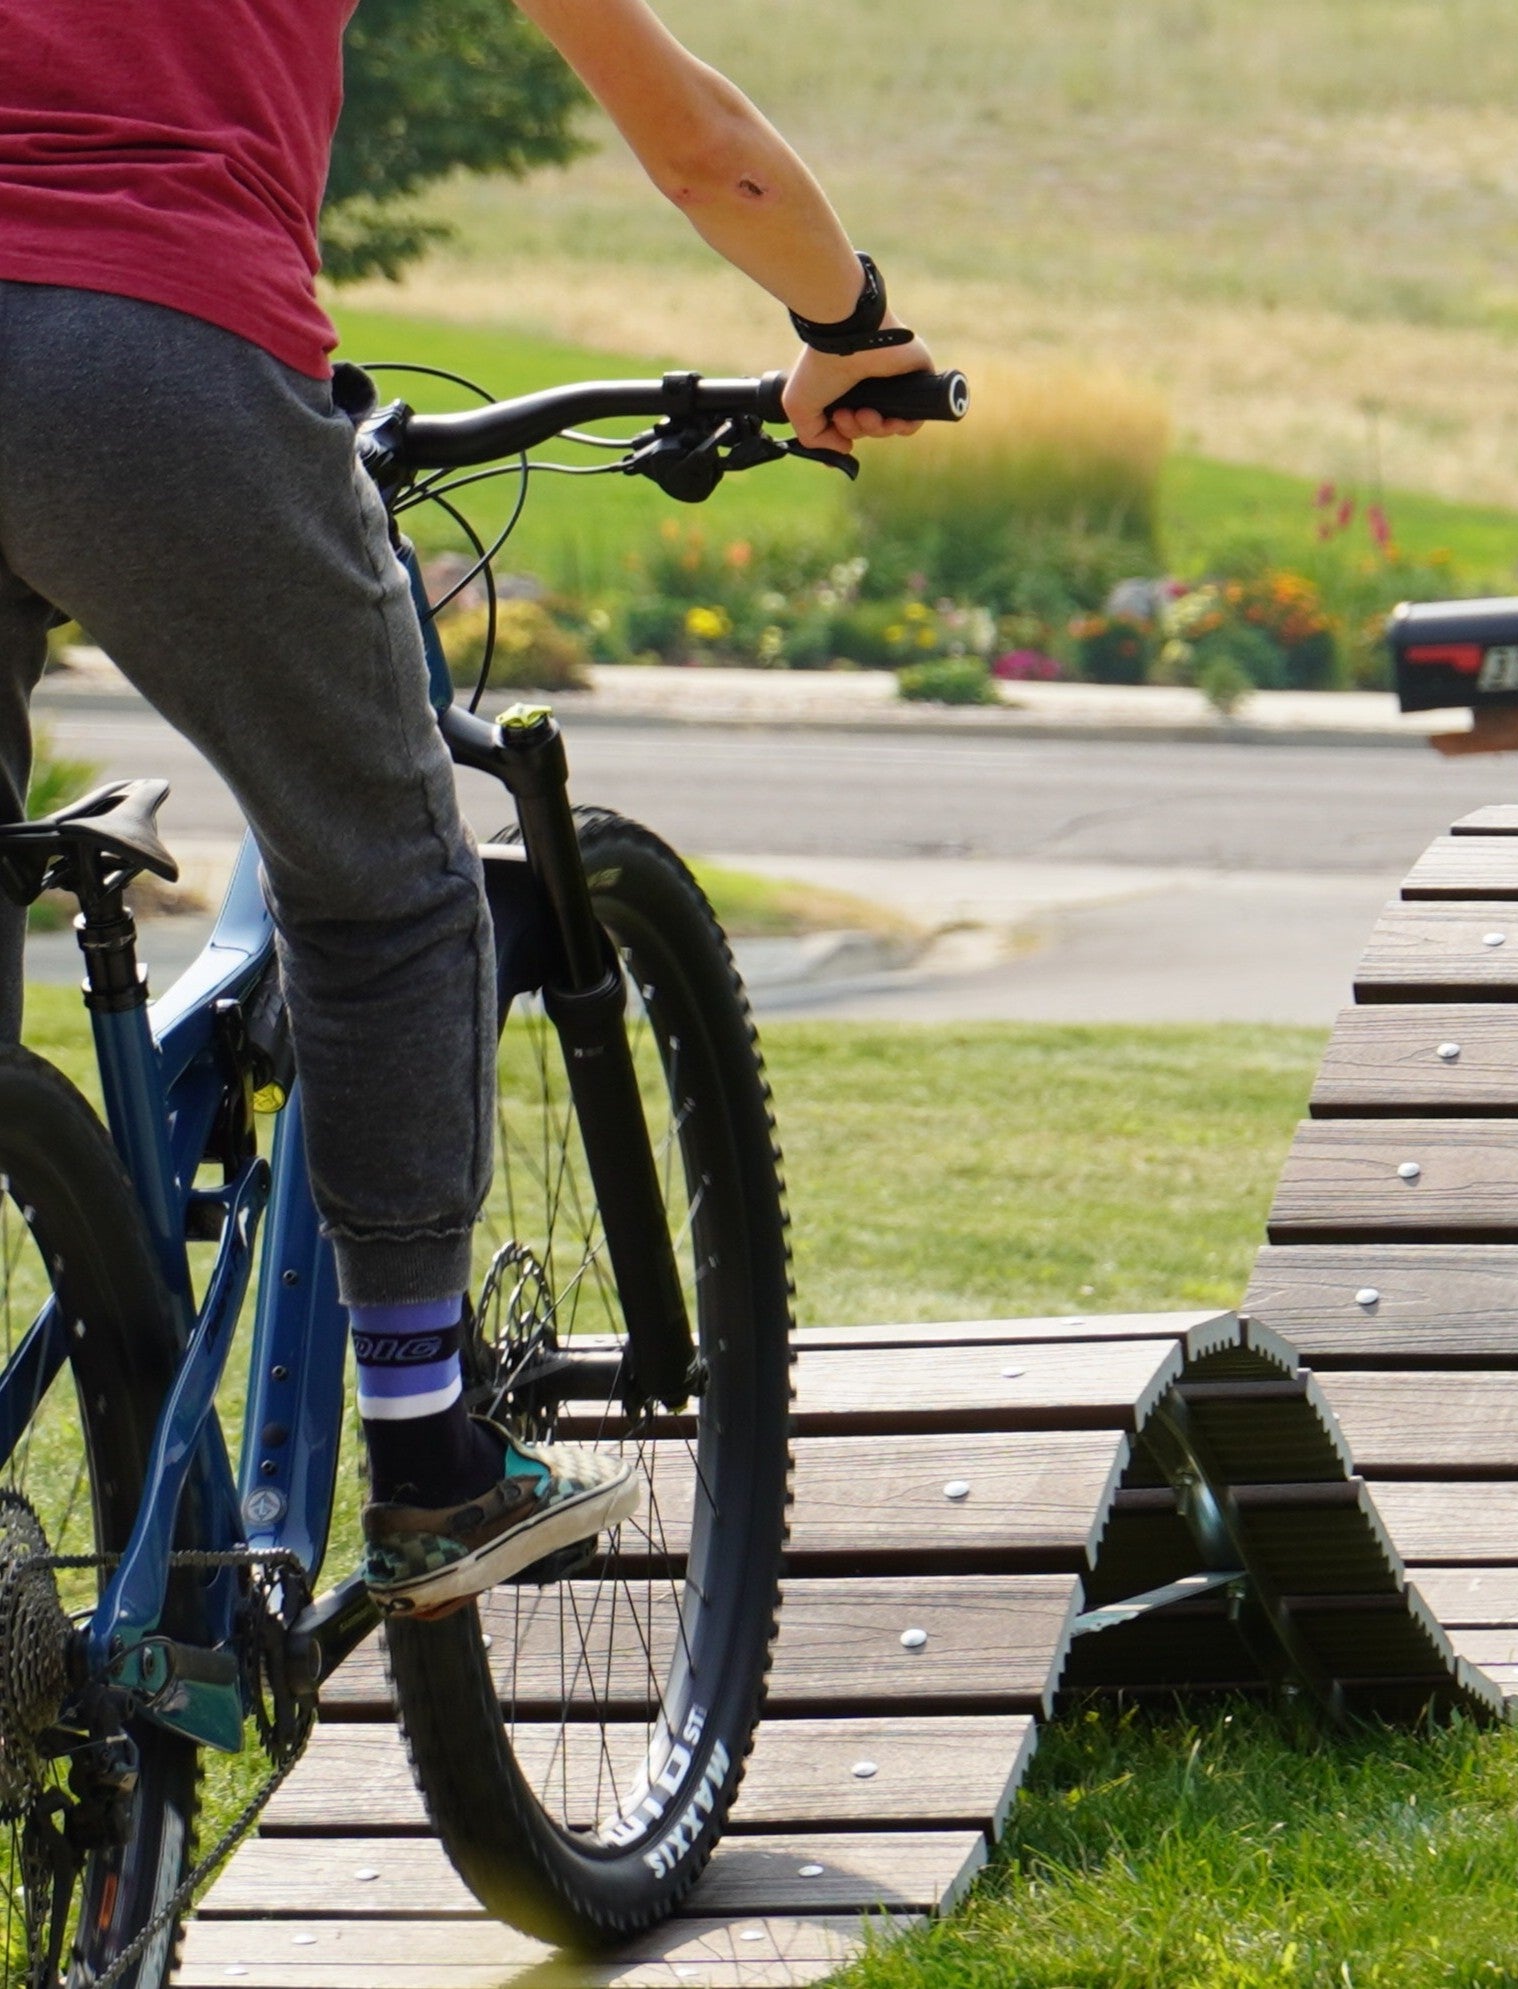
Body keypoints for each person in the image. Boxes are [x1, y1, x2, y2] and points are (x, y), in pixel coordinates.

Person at [0, 0, 933, 1617]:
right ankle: (431, 1454)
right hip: (147, 352)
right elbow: (700, 146)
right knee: (388, 880)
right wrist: (849, 322)